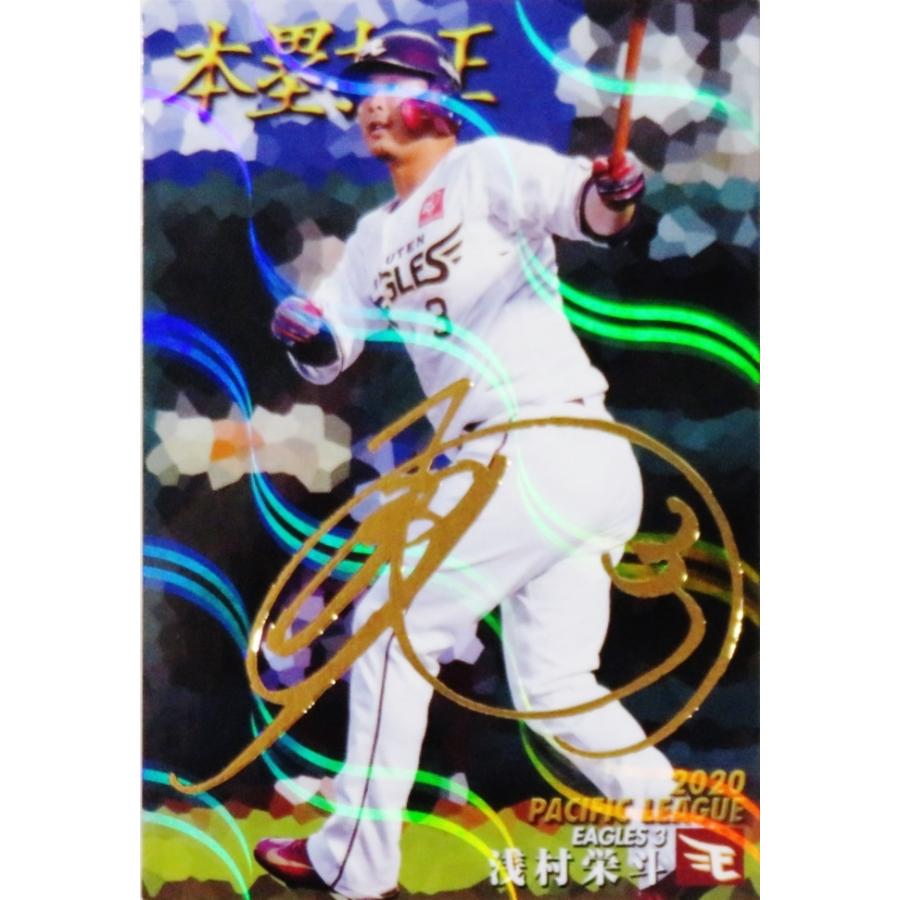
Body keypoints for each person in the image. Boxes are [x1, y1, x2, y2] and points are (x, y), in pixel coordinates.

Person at [254, 29, 675, 898]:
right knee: (555, 683)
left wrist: (613, 195)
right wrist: (305, 334)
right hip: (552, 458)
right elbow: (331, 346)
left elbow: (589, 209)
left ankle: (352, 864)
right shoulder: (372, 239)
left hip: (538, 439)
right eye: (366, 86)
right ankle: (667, 824)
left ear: (440, 102)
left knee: (392, 629)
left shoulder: (484, 169)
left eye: (395, 83)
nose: (374, 100)